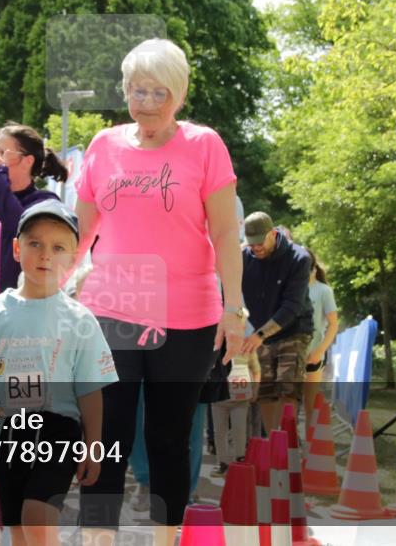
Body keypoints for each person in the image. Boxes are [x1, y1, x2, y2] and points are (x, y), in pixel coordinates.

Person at [75, 38, 245, 546]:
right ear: (124, 90)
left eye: (159, 92)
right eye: (137, 90)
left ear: (180, 95)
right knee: (105, 436)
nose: (147, 101)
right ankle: (98, 537)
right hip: (109, 313)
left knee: (169, 438)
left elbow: (223, 235)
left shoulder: (205, 144)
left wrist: (233, 308)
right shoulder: (103, 146)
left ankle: (166, 536)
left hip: (188, 317)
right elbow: (80, 234)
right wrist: (55, 294)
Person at [0, 200, 117, 546]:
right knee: (19, 527)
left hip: (59, 428)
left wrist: (93, 444)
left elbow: (90, 390)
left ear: (73, 256)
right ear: (17, 249)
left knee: (37, 517)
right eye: (35, 243)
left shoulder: (80, 320)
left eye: (58, 247)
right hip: (7, 431)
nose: (46, 254)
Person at [0, 123, 68, 293]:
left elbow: (19, 227)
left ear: (27, 161)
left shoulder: (45, 202)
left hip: (16, 306)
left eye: (1, 153)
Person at [239, 212, 314, 434]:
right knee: (265, 391)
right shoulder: (244, 257)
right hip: (260, 331)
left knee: (288, 387)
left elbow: (292, 306)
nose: (256, 249)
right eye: (251, 244)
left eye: (260, 242)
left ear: (273, 234)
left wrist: (260, 335)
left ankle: (288, 442)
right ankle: (273, 442)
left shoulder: (299, 258)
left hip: (294, 329)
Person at [302, 249, 339, 436]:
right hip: (291, 355)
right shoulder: (290, 287)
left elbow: (333, 324)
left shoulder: (324, 291)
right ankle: (289, 448)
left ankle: (310, 447)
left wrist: (320, 350)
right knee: (288, 405)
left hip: (313, 356)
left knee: (310, 405)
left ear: (314, 269)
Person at [210, 347, 260, 475]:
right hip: (219, 400)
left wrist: (255, 389)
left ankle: (240, 459)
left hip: (240, 399)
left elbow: (256, 370)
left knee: (239, 429)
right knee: (220, 432)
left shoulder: (247, 347)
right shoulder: (215, 347)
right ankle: (222, 463)